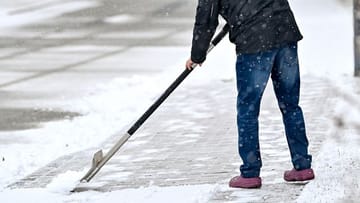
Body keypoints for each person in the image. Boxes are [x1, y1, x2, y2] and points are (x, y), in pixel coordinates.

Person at [185, 0, 315, 188]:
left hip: (254, 42)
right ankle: (303, 166)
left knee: (248, 109)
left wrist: (197, 55)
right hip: (284, 31)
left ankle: (250, 172)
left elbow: (206, 17)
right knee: (291, 105)